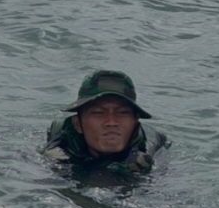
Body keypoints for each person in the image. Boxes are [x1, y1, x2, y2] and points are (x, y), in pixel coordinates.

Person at [42, 69, 170, 176]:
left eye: (122, 113)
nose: (111, 122)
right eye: (98, 113)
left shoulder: (149, 146)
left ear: (135, 122)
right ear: (78, 124)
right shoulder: (61, 145)